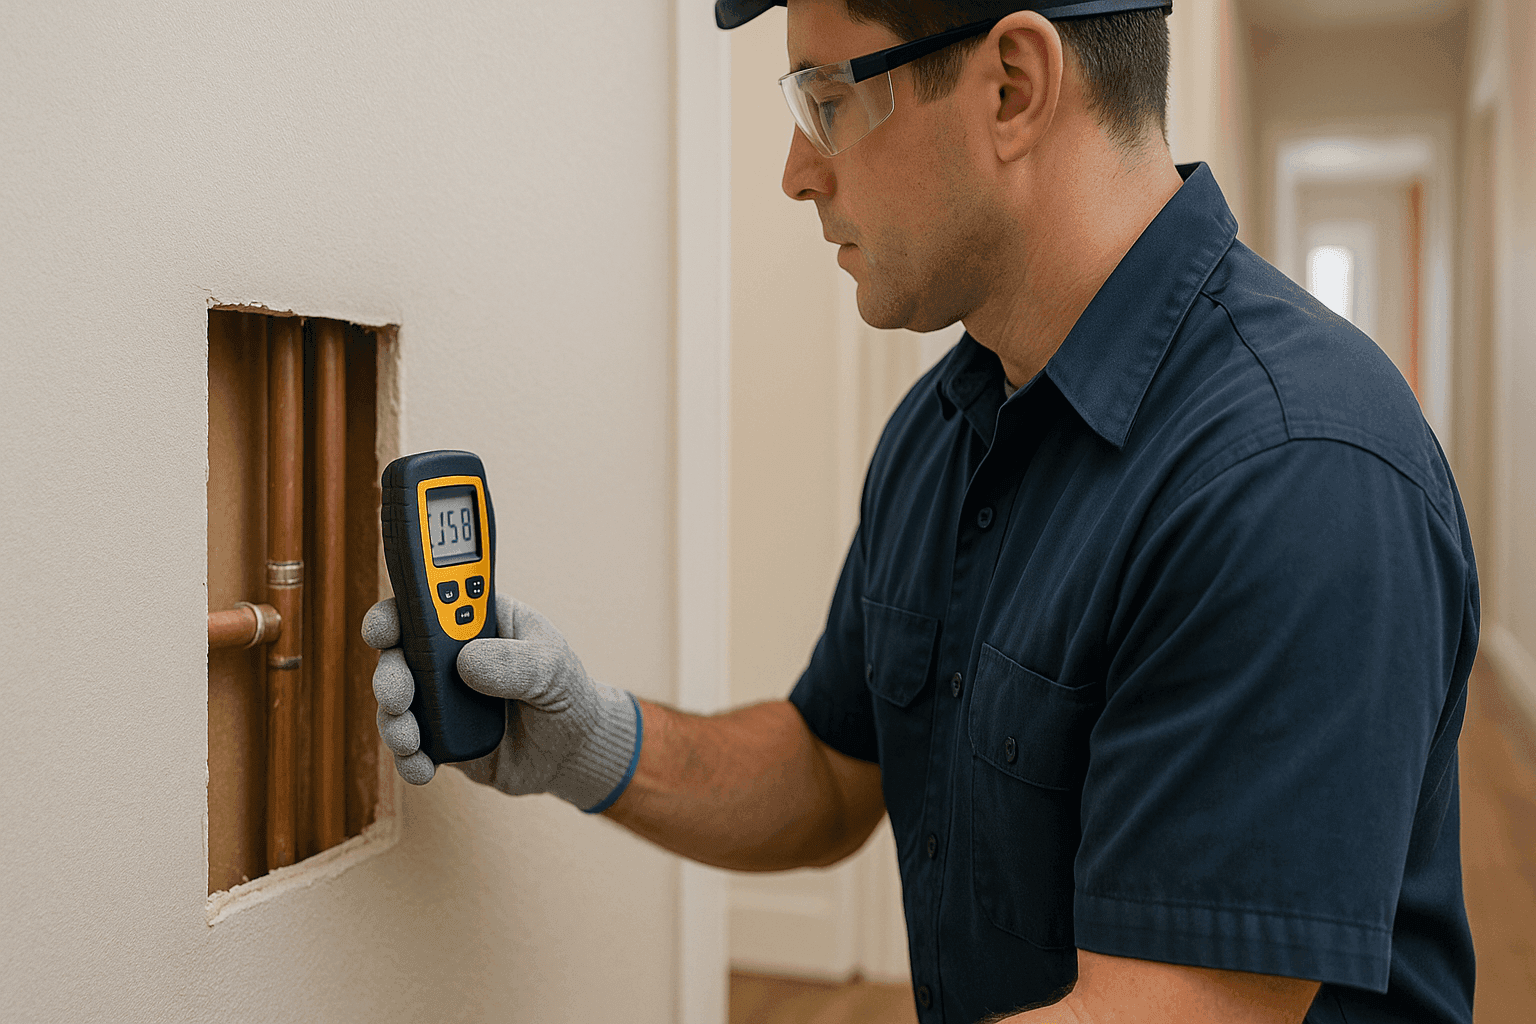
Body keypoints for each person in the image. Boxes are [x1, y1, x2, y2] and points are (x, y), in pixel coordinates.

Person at [362, 1, 1478, 1021]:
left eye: (828, 98)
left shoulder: (1293, 474)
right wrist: (584, 739)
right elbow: (829, 771)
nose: (797, 172)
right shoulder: (948, 424)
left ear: (1012, 88)